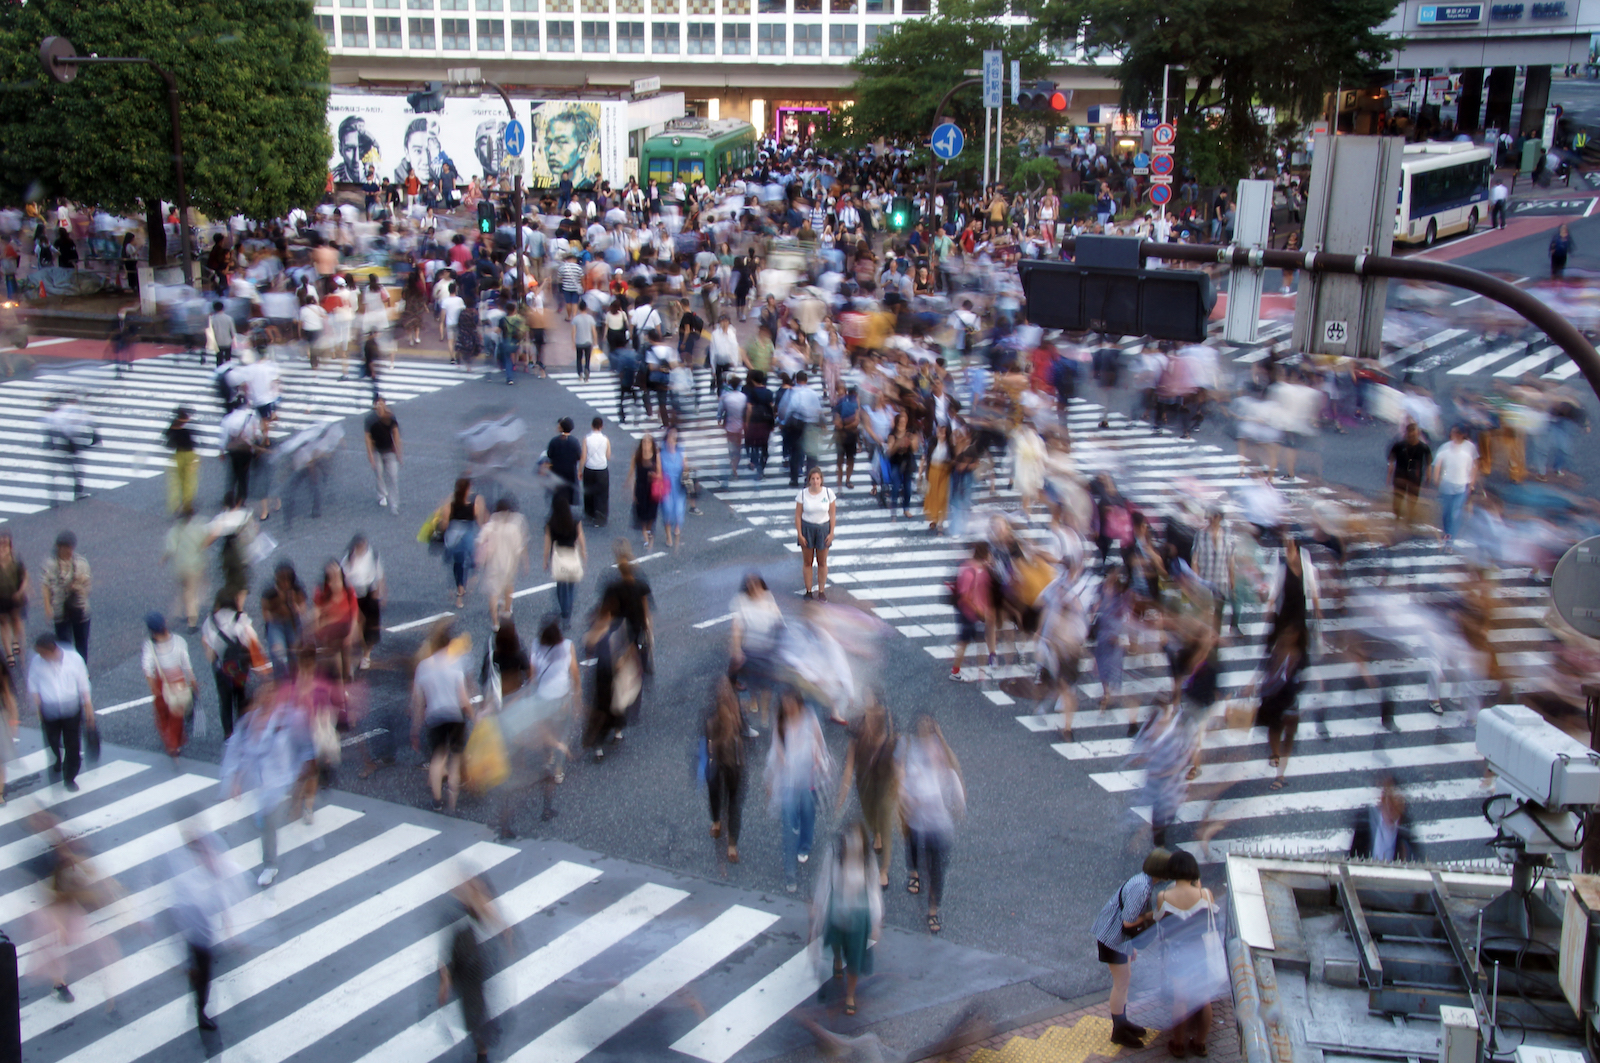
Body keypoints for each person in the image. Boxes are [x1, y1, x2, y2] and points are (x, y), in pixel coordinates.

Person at [1148, 850, 1226, 1058]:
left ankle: (1179, 1044)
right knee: (1204, 999)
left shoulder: (1163, 896)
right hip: (1200, 950)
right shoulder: (1205, 894)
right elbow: (1212, 916)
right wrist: (1198, 888)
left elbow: (1159, 921)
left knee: (1180, 998)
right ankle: (1200, 1043)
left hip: (1176, 952)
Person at [166, 828, 242, 1031]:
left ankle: (199, 1002)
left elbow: (220, 894)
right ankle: (200, 1010)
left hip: (204, 931)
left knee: (203, 972)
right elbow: (181, 910)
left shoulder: (209, 869)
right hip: (194, 933)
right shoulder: (186, 875)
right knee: (202, 974)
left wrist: (228, 923)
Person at [1093, 848, 1169, 1048]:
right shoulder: (1142, 887)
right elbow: (1128, 922)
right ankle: (1119, 1030)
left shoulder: (1143, 881)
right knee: (1121, 983)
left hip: (1117, 938)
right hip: (1113, 939)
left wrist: (1130, 947)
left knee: (1124, 981)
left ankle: (1122, 1022)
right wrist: (1150, 916)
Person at [811, 822, 883, 1018]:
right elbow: (825, 880)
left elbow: (873, 889)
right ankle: (837, 958)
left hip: (859, 915)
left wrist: (876, 921)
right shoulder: (834, 855)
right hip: (838, 909)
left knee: (855, 958)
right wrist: (818, 907)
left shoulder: (867, 861)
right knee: (837, 944)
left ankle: (850, 995)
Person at [900, 714, 965, 934]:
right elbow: (899, 772)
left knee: (938, 869)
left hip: (939, 823)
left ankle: (933, 910)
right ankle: (914, 872)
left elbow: (954, 766)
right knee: (915, 851)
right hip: (917, 817)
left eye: (930, 724)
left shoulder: (939, 748)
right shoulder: (909, 744)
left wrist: (942, 738)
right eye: (923, 724)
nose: (926, 728)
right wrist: (905, 798)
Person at [767, 689, 832, 892]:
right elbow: (776, 748)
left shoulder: (809, 718)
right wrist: (772, 776)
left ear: (799, 703)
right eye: (785, 705)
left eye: (791, 704)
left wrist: (821, 761)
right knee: (788, 826)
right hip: (788, 781)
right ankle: (790, 873)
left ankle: (804, 845)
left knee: (808, 814)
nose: (788, 708)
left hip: (808, 780)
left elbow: (820, 743)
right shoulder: (781, 723)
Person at [438, 876, 507, 1063]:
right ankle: (482, 1049)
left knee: (476, 1014)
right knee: (477, 1014)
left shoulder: (465, 927)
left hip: (472, 969)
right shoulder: (462, 925)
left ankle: (482, 1050)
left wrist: (446, 979)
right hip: (471, 966)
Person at [835, 701, 899, 889]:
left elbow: (899, 768)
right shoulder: (858, 738)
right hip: (865, 787)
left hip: (885, 787)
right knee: (871, 819)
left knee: (886, 826)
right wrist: (842, 795)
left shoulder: (890, 740)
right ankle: (875, 833)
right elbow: (849, 767)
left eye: (870, 722)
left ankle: (884, 870)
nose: (866, 725)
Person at [411, 629, 473, 813]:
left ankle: (437, 801)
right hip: (455, 716)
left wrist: (415, 728)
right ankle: (452, 802)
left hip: (434, 717)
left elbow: (418, 701)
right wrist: (473, 715)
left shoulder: (422, 667)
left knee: (437, 758)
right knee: (455, 758)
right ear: (448, 645)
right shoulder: (455, 665)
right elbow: (463, 699)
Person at [27, 633, 94, 791]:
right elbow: (33, 684)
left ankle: (70, 777)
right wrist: (38, 708)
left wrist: (88, 707)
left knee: (72, 743)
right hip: (49, 710)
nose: (40, 656)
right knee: (51, 739)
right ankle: (56, 759)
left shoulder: (74, 659)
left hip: (71, 709)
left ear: (51, 650)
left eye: (42, 653)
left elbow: (83, 683)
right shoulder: (37, 662)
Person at [202, 586, 264, 740]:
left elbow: (209, 652)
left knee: (225, 701)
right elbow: (253, 640)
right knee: (241, 696)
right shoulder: (241, 619)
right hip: (240, 666)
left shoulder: (210, 621)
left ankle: (228, 734)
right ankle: (244, 729)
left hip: (221, 667)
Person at [142, 612, 197, 761]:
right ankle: (174, 743)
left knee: (162, 714)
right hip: (178, 680)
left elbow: (147, 667)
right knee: (177, 714)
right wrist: (192, 680)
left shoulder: (150, 646)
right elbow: (186, 663)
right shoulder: (179, 641)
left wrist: (152, 686)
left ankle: (169, 740)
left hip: (161, 681)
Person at [704, 676, 747, 864]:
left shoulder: (735, 712)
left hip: (733, 762)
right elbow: (704, 739)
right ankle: (717, 822)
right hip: (719, 760)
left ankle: (731, 842)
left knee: (733, 802)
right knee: (718, 795)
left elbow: (744, 733)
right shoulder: (710, 715)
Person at [476, 498, 530, 632]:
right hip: (509, 563)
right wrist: (525, 563)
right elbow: (519, 548)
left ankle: (495, 623)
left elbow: (479, 540)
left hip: (493, 564)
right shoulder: (513, 528)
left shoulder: (491, 525)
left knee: (493, 594)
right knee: (508, 586)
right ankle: (506, 611)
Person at [41, 530, 90, 663]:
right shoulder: (50, 564)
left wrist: (78, 586)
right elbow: (45, 585)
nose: (69, 551)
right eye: (66, 547)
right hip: (60, 609)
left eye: (71, 547)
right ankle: (66, 668)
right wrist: (47, 607)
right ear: (58, 547)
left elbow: (87, 587)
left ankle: (82, 670)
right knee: (64, 644)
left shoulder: (81, 562)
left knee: (81, 643)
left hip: (79, 608)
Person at [949, 542, 995, 680]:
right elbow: (965, 597)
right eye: (990, 553)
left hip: (974, 613)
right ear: (985, 554)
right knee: (964, 642)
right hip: (968, 614)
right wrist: (979, 612)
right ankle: (955, 672)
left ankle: (982, 668)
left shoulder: (979, 568)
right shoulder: (970, 571)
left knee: (974, 639)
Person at [341, 535, 385, 672]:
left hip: (369, 594)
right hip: (354, 596)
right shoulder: (348, 558)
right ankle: (359, 652)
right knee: (357, 624)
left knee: (370, 626)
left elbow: (379, 575)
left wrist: (381, 592)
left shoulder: (373, 556)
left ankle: (366, 655)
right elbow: (343, 578)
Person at [794, 466, 836, 601]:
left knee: (822, 562)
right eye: (813, 479)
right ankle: (808, 590)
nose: (815, 481)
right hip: (807, 528)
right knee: (808, 562)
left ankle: (821, 591)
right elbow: (798, 515)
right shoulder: (802, 494)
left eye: (818, 479)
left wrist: (831, 532)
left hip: (823, 528)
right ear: (809, 480)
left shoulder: (828, 493)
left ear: (821, 480)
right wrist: (800, 534)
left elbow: (832, 513)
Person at [543, 494, 587, 623]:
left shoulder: (551, 522)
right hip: (573, 553)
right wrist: (584, 553)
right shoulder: (574, 520)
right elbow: (580, 536)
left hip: (558, 555)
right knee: (572, 583)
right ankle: (568, 610)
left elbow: (547, 543)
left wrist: (545, 560)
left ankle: (564, 611)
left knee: (561, 585)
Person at [1432, 424, 1478, 542]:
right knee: (1446, 511)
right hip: (1447, 484)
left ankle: (1451, 535)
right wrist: (1436, 478)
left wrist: (1472, 483)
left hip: (1462, 485)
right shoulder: (1445, 447)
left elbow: (1474, 466)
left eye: (1457, 433)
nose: (1454, 436)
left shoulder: (1470, 447)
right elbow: (1438, 464)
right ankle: (1447, 531)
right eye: (1453, 433)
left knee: (1455, 511)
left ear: (1462, 435)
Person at [1388, 421, 1433, 532]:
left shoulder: (1424, 448)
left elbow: (1428, 464)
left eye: (1415, 434)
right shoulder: (1399, 446)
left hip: (1414, 477)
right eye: (1411, 434)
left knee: (1412, 499)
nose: (1412, 436)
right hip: (1400, 475)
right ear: (1407, 434)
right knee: (1398, 498)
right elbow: (1391, 460)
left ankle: (1409, 519)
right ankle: (1397, 517)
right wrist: (1389, 476)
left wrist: (1428, 477)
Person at [365, 396, 402, 516]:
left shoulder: (390, 418)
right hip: (377, 451)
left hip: (390, 451)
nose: (380, 406)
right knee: (379, 473)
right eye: (378, 404)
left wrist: (398, 452)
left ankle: (394, 503)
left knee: (393, 476)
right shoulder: (370, 419)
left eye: (382, 404)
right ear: (374, 406)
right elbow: (368, 438)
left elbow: (396, 434)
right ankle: (382, 495)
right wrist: (370, 455)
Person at [628, 433, 662, 552]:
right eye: (644, 442)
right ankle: (646, 537)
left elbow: (660, 474)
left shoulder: (656, 456)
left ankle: (648, 530)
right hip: (641, 488)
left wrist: (655, 476)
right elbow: (632, 474)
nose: (646, 444)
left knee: (652, 512)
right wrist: (632, 491)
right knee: (641, 513)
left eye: (648, 442)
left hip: (652, 488)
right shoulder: (637, 456)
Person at [0, 531, 28, 667]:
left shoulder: (16, 561)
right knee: (3, 623)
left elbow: (24, 578)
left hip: (15, 597)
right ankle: (9, 654)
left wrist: (20, 592)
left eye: (5, 546)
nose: (2, 549)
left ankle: (15, 640)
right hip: (1, 599)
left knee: (16, 620)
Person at [166, 407, 201, 516]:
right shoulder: (189, 425)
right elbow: (198, 439)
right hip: (190, 454)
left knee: (178, 480)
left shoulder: (175, 425)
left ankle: (176, 506)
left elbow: (166, 435)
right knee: (189, 481)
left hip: (178, 454)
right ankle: (187, 505)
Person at [579, 416, 611, 527]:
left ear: (592, 425)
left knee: (589, 492)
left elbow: (583, 456)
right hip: (602, 469)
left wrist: (580, 470)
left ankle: (590, 513)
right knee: (602, 494)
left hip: (589, 468)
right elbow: (608, 455)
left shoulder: (586, 439)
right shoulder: (605, 439)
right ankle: (600, 517)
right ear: (602, 426)